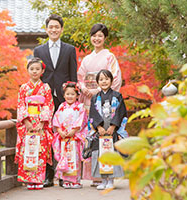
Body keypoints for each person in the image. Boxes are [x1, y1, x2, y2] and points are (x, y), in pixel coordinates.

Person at [34, 14, 78, 187]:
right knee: (46, 135)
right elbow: (36, 73)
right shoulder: (39, 51)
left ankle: (64, 174)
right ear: (46, 29)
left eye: (56, 27)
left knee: (65, 135)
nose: (53, 30)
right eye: (50, 27)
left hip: (64, 98)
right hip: (45, 98)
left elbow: (73, 75)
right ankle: (47, 174)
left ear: (61, 29)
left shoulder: (69, 49)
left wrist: (74, 99)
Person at [77, 23, 122, 185]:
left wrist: (98, 89)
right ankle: (94, 175)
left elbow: (115, 78)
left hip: (105, 102)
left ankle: (107, 174)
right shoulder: (87, 59)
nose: (97, 38)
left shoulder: (109, 57)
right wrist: (83, 88)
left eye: (100, 36)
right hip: (89, 99)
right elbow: (80, 77)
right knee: (92, 135)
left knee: (106, 136)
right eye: (94, 35)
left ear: (105, 38)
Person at [15, 57, 54, 190]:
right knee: (28, 150)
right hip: (28, 124)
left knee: (40, 150)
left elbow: (48, 105)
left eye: (37, 69)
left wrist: (42, 123)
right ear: (27, 70)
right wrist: (26, 122)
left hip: (40, 124)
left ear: (42, 70)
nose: (34, 71)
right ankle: (28, 180)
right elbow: (20, 105)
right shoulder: (24, 88)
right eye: (32, 69)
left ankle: (38, 180)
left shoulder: (45, 88)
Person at [89, 69, 127, 190]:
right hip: (100, 132)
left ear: (111, 80)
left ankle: (111, 180)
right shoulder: (95, 98)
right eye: (101, 79)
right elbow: (92, 115)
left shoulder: (117, 96)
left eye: (106, 79)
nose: (104, 81)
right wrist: (99, 127)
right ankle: (103, 180)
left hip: (112, 131)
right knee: (100, 154)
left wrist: (113, 126)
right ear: (97, 82)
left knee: (111, 153)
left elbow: (121, 113)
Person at [52, 82, 87, 189]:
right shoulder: (62, 106)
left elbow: (82, 121)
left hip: (74, 137)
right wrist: (60, 131)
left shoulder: (80, 107)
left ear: (77, 95)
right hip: (63, 136)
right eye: (67, 94)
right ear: (64, 95)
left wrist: (74, 130)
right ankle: (66, 180)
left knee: (74, 158)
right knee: (65, 158)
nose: (70, 96)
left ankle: (75, 181)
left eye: (72, 94)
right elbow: (56, 120)